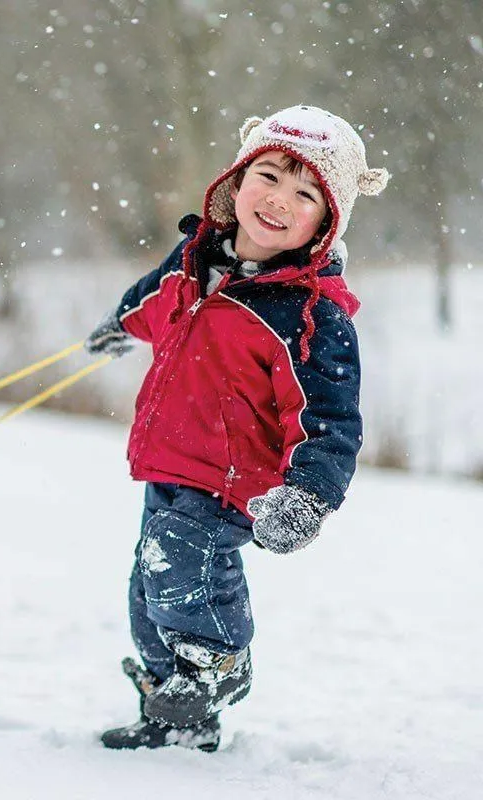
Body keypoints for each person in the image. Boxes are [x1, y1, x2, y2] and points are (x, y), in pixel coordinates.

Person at [85, 106, 389, 751]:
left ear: (327, 222)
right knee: (149, 591)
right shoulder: (197, 260)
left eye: (307, 193)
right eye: (271, 175)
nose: (280, 199)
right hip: (170, 459)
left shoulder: (310, 318)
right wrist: (122, 324)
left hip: (235, 479)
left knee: (180, 571)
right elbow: (154, 295)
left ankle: (220, 660)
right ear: (239, 176)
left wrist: (306, 497)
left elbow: (330, 421)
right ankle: (178, 722)